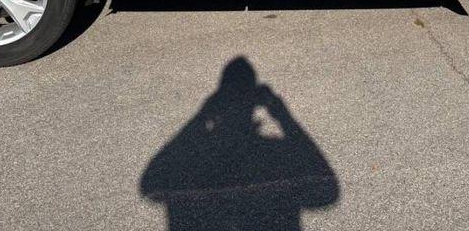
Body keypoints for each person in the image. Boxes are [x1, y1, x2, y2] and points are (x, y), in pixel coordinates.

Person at [140, 56, 339, 231]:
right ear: (254, 105)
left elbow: (150, 185)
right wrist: (283, 116)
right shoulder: (275, 155)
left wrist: (200, 117)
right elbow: (327, 189)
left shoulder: (195, 159)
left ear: (218, 106)